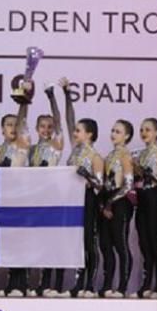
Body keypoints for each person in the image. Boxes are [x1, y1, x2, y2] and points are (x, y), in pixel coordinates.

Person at [64, 87, 105, 298]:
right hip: (72, 201)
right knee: (76, 242)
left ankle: (90, 284)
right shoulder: (74, 151)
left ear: (89, 134)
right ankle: (77, 283)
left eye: (79, 130)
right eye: (75, 130)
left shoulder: (95, 157)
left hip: (88, 200)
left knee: (89, 242)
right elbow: (68, 119)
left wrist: (87, 176)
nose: (74, 132)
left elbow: (100, 185)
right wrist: (66, 94)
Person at [0, 95, 33, 297]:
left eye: (14, 125)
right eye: (8, 125)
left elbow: (23, 121)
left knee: (21, 240)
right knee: (8, 241)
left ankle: (22, 282)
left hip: (22, 197)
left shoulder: (23, 144)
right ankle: (11, 281)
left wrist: (22, 104)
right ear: (2, 129)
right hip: (4, 199)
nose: (12, 128)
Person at [31, 82, 67, 297]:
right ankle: (42, 282)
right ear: (36, 129)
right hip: (36, 198)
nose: (46, 130)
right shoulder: (31, 149)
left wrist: (51, 97)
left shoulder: (55, 146)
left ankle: (57, 284)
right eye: (42, 126)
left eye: (49, 127)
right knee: (41, 242)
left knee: (55, 241)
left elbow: (61, 123)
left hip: (53, 196)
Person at [134, 117, 157, 299]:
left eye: (147, 129)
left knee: (155, 242)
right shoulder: (141, 155)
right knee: (144, 244)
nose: (144, 133)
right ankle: (146, 284)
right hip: (142, 199)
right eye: (142, 130)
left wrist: (152, 177)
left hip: (155, 199)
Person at [99, 120, 135, 297]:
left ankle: (122, 287)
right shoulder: (109, 155)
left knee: (120, 245)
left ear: (127, 136)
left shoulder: (125, 156)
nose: (113, 134)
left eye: (118, 132)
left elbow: (128, 184)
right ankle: (107, 285)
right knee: (105, 245)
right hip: (107, 200)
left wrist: (110, 203)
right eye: (113, 130)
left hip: (120, 202)